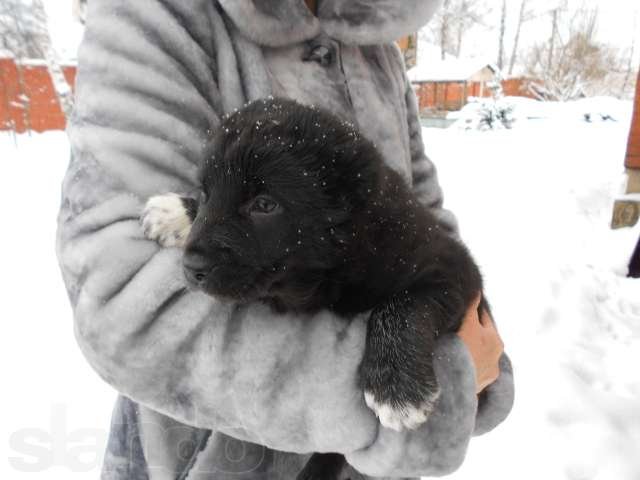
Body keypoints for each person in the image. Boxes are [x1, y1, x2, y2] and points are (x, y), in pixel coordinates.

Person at [56, 1, 514, 479]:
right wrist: (427, 382)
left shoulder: (375, 42)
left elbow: (429, 231)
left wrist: (465, 352)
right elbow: (125, 307)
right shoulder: (155, 17)